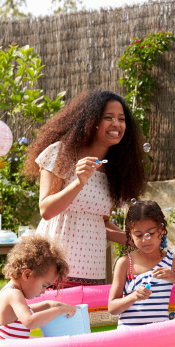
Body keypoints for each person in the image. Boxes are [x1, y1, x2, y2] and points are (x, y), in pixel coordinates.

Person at [23, 90, 146, 287]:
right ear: (92, 120)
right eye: (109, 117)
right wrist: (78, 183)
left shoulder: (114, 170)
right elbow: (46, 210)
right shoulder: (61, 153)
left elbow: (100, 221)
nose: (117, 124)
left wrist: (132, 240)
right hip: (51, 268)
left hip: (91, 270)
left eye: (121, 119)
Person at [108, 201, 175, 327]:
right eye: (138, 235)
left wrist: (174, 277)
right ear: (130, 235)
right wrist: (133, 297)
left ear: (161, 230)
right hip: (128, 337)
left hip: (159, 337)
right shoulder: (125, 263)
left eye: (151, 233)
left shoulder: (173, 263)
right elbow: (112, 308)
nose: (145, 239)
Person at [0, 234, 77, 340]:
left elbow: (30, 310)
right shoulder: (12, 294)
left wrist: (50, 305)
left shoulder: (15, 293)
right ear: (27, 275)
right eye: (44, 285)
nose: (44, 291)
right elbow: (30, 321)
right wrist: (58, 310)